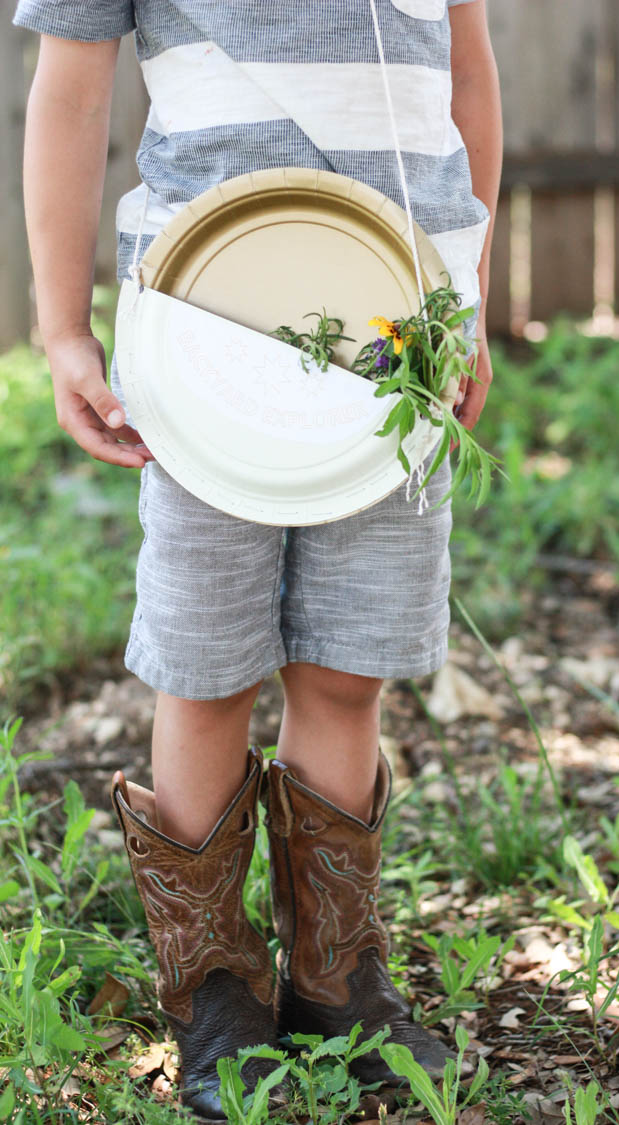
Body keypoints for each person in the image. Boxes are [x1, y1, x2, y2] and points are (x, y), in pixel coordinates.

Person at [14, 0, 503, 1118]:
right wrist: (61, 329)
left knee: (346, 664)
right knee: (208, 664)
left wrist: (474, 295)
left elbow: (467, 80)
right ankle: (215, 993)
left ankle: (337, 983)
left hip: (398, 343)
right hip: (204, 332)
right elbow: (73, 90)